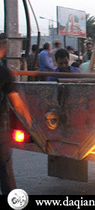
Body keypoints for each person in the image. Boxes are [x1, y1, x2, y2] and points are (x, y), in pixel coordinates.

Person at [0, 33, 32, 195]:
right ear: (3, 48)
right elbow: (16, 102)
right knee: (5, 169)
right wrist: (28, 119)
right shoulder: (3, 72)